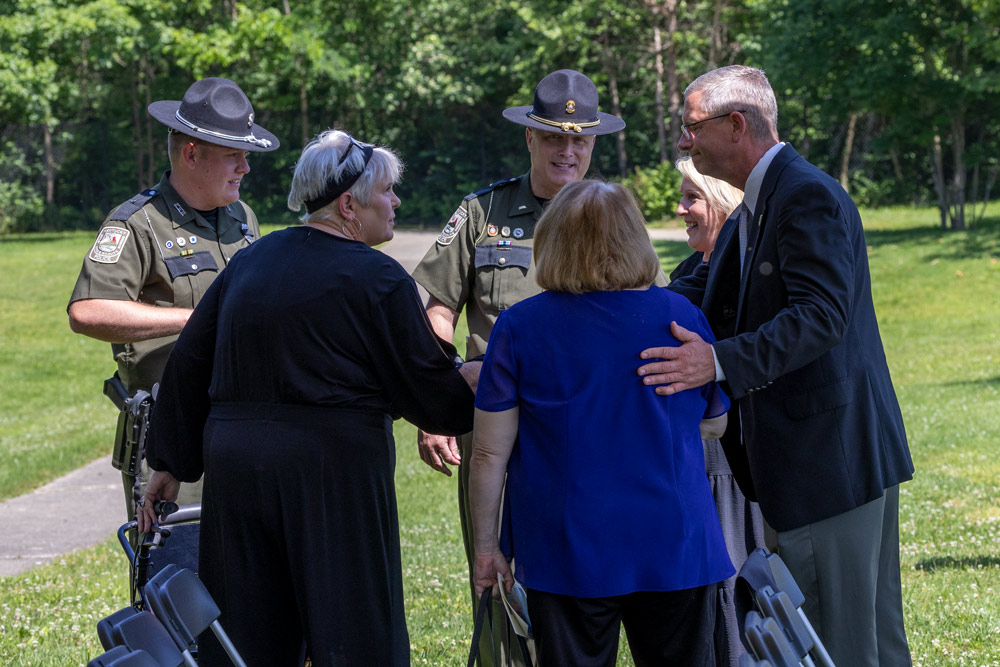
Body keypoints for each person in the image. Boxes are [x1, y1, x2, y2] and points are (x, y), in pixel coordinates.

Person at [136, 130, 477, 667]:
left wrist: (169, 463)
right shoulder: (378, 277)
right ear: (349, 204)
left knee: (247, 633)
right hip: (332, 474)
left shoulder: (251, 262)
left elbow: (189, 362)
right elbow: (431, 395)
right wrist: (472, 381)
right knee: (355, 626)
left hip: (238, 470)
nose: (397, 203)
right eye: (388, 191)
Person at [637, 65, 914, 666]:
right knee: (868, 643)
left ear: (736, 125)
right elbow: (700, 293)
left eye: (691, 128)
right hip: (825, 465)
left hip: (827, 465)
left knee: (835, 646)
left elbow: (820, 317)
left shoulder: (803, 195)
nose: (683, 143)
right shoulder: (755, 207)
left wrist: (715, 362)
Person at [410, 68, 642, 664]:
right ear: (531, 139)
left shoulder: (613, 214)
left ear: (593, 144)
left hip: (586, 430)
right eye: (554, 138)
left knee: (585, 580)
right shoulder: (483, 211)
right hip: (495, 423)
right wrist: (435, 402)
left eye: (580, 140)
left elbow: (644, 312)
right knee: (494, 572)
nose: (568, 151)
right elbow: (437, 307)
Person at [470, 179, 734, 667]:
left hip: (566, 548)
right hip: (674, 539)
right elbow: (714, 423)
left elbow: (489, 452)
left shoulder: (519, 327)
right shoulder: (681, 314)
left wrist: (486, 550)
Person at [67, 77, 279, 516]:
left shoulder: (242, 217)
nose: (246, 168)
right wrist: (194, 320)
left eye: (247, 155)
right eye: (234, 156)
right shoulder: (137, 224)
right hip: (170, 437)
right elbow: (87, 311)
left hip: (241, 429)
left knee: (243, 574)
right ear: (191, 153)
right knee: (175, 571)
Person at [672, 156, 765, 667]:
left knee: (738, 594)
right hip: (695, 463)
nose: (681, 208)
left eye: (692, 197)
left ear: (725, 204)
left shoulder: (746, 273)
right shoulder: (690, 271)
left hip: (733, 468)